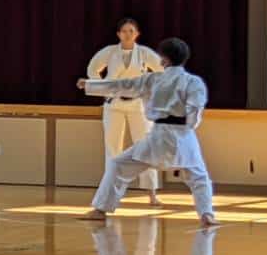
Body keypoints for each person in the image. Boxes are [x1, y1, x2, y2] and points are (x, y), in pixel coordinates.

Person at [77, 37, 217, 227]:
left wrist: (91, 85)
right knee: (199, 177)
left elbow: (122, 85)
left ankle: (100, 209)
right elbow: (195, 110)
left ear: (164, 60)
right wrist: (189, 125)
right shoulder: (194, 82)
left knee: (118, 165)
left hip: (158, 136)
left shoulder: (152, 80)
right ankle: (207, 214)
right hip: (185, 137)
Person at [87, 18, 165, 205]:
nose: (127, 34)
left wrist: (149, 88)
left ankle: (151, 193)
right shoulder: (110, 52)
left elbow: (161, 70)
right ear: (118, 34)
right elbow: (92, 69)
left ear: (137, 34)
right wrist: (104, 89)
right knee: (113, 148)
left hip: (138, 104)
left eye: (131, 31)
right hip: (114, 104)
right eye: (124, 31)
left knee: (145, 146)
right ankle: (111, 194)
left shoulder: (145, 53)